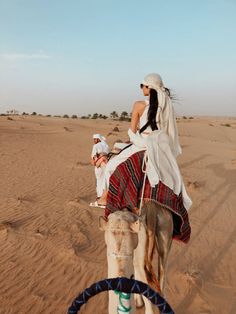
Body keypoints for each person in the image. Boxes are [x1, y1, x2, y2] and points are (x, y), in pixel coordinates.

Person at [91, 73, 191, 210]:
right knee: (173, 177)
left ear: (148, 87)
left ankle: (105, 198)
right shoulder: (167, 106)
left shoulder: (138, 105)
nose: (141, 89)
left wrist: (138, 140)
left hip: (140, 145)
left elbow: (132, 132)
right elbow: (168, 132)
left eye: (142, 86)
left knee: (110, 167)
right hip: (159, 147)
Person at [89, 134, 110, 207]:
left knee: (99, 182)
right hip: (106, 165)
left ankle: (100, 200)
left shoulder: (95, 146)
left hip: (99, 166)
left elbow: (93, 157)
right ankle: (104, 199)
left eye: (95, 139)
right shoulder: (106, 146)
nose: (94, 141)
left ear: (98, 139)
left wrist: (96, 162)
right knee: (104, 181)